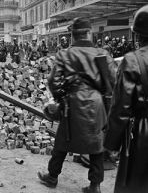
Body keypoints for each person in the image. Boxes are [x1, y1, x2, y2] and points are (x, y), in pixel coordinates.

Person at [38, 17, 116, 193]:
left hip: (72, 103)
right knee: (97, 144)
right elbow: (113, 80)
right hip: (96, 104)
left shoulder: (65, 54)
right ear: (89, 33)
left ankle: (52, 177)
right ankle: (95, 186)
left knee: (63, 140)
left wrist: (60, 97)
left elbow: (52, 81)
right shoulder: (102, 53)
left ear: (72, 35)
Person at [104, 4, 148, 193]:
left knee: (134, 185)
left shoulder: (132, 60)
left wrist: (111, 144)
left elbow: (121, 108)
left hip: (142, 134)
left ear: (137, 35)